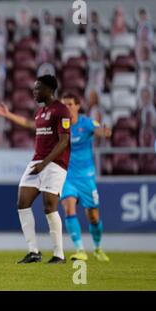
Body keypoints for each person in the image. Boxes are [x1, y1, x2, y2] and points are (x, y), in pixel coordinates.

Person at [0, 75, 71, 264]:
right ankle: (34, 251)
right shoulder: (40, 112)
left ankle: (59, 254)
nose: (34, 92)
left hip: (55, 164)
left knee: (49, 206)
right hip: (37, 162)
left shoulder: (61, 110)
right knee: (22, 202)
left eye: (38, 88)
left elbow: (64, 141)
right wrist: (9, 115)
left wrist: (44, 164)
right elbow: (32, 125)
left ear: (49, 89)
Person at [59, 93, 112, 262]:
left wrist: (104, 133)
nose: (66, 107)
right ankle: (80, 249)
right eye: (63, 104)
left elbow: (99, 131)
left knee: (93, 216)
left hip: (86, 178)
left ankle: (97, 248)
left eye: (69, 104)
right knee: (68, 207)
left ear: (77, 106)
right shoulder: (60, 125)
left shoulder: (86, 123)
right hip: (67, 177)